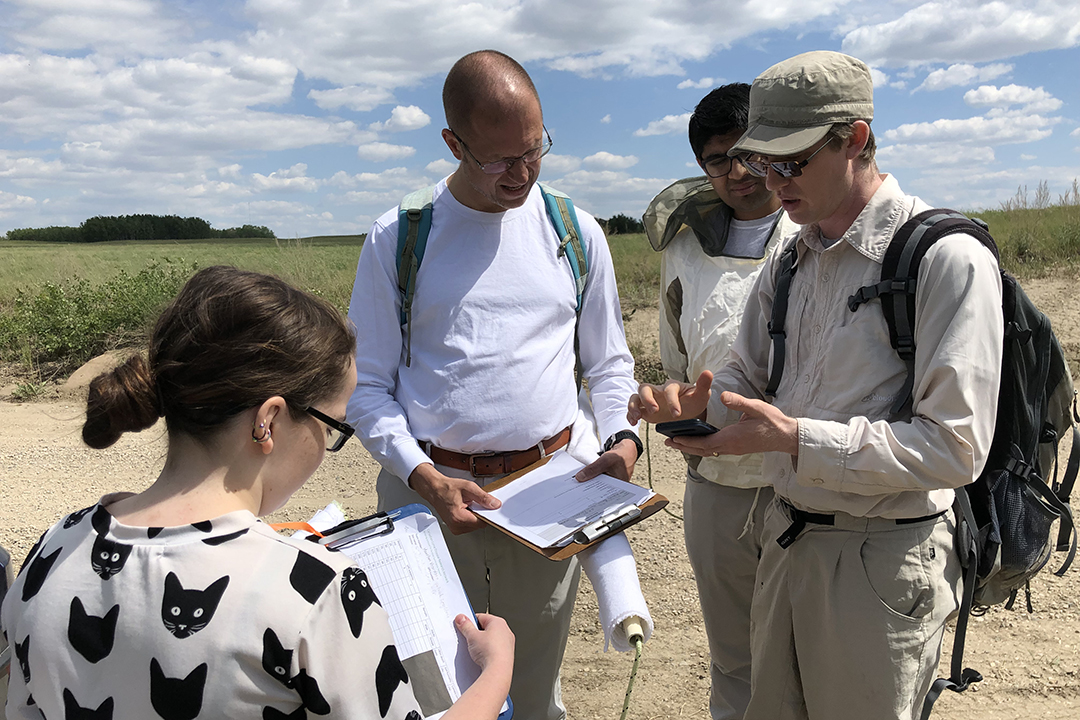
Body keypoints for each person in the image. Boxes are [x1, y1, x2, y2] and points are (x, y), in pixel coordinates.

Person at [629, 51, 1003, 720]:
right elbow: (743, 379)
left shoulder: (945, 259)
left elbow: (955, 449)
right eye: (759, 162)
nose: (769, 181)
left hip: (881, 560)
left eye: (789, 162)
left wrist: (798, 439)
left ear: (855, 139)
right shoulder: (793, 261)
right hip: (787, 541)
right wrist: (697, 405)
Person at [1, 266, 514, 720]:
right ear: (267, 421)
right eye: (332, 425)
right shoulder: (315, 590)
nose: (327, 446)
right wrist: (495, 674)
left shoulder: (54, 547)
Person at [348, 50, 641, 720]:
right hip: (425, 506)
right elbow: (365, 389)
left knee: (533, 692)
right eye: (501, 159)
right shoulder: (399, 238)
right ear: (453, 143)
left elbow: (607, 364)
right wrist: (425, 478)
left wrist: (622, 439)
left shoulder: (575, 232)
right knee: (430, 693)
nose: (523, 173)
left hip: (544, 504)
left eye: (536, 150)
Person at [644, 82, 796, 720]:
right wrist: (670, 404)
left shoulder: (815, 228)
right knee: (733, 654)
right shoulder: (684, 241)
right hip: (715, 477)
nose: (736, 172)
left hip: (803, 476)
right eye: (716, 159)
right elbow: (675, 349)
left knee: (806, 650)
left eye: (747, 153)